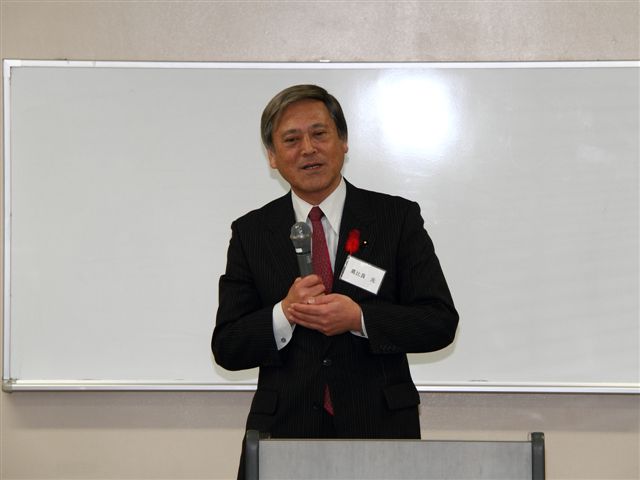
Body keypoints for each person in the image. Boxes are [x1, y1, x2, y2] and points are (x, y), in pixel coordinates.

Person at [211, 84, 458, 478]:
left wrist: (360, 318)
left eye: (319, 134)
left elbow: (439, 322)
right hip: (284, 433)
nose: (308, 149)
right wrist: (284, 313)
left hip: (379, 428)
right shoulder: (252, 232)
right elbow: (227, 346)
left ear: (343, 142)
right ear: (272, 156)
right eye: (291, 139)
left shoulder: (396, 219)